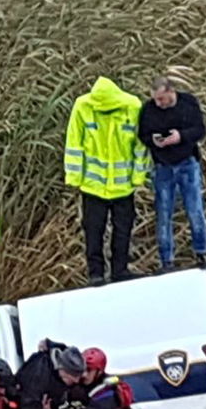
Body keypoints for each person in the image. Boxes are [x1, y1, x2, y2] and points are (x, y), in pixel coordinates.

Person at [64, 76, 151, 286]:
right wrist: (74, 177)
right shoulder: (83, 106)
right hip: (93, 186)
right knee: (93, 230)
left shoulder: (133, 106)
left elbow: (141, 145)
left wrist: (138, 176)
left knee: (123, 230)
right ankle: (96, 274)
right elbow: (74, 142)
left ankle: (119, 270)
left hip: (122, 186)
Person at [138, 76, 206, 272]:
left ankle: (201, 253)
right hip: (163, 166)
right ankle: (166, 260)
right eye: (155, 99)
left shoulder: (188, 102)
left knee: (195, 210)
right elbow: (143, 135)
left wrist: (181, 137)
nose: (158, 103)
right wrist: (154, 141)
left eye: (162, 99)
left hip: (187, 163)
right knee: (164, 214)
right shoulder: (148, 109)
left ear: (171, 92)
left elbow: (200, 130)